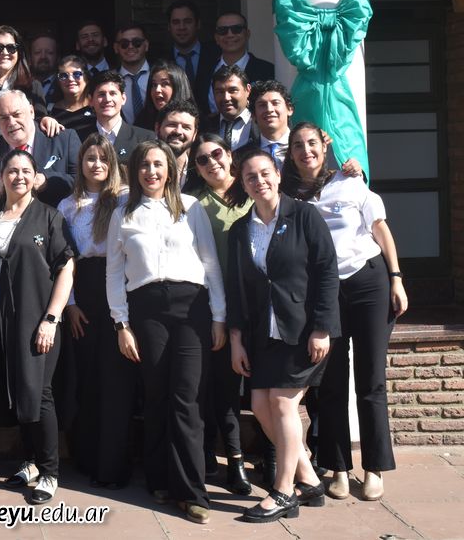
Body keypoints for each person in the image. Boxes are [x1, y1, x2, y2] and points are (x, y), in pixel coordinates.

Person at [281, 122, 408, 502]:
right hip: (325, 292)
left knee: (371, 380)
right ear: (291, 154)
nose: (306, 151)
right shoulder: (290, 196)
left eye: (312, 143)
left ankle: (374, 469)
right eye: (298, 145)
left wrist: (396, 278)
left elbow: (380, 230)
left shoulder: (350, 182)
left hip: (368, 281)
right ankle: (337, 467)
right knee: (332, 381)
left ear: (325, 146)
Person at [107, 139, 226, 525]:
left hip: (192, 308)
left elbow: (210, 262)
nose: (151, 172)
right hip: (147, 310)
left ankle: (192, 492)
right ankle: (159, 479)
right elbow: (114, 272)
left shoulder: (191, 207)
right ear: (135, 171)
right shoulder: (123, 214)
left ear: (170, 170)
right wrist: (121, 324)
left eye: (158, 164)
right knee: (156, 395)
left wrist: (219, 316)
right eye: (144, 165)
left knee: (186, 397)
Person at [225, 148, 340, 522]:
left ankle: (283, 491)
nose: (259, 181)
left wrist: (322, 327)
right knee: (260, 407)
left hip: (302, 330)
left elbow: (327, 271)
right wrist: (236, 340)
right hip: (262, 334)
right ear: (243, 185)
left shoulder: (304, 215)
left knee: (283, 404)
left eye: (264, 173)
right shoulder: (240, 230)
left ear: (277, 174)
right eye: (250, 177)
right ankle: (310, 480)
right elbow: (237, 289)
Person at [0, 149, 75, 505]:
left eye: (26, 170)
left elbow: (66, 269)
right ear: (2, 177)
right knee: (18, 392)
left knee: (39, 393)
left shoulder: (49, 217)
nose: (19, 176)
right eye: (12, 170)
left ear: (36, 178)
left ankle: (50, 471)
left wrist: (51, 319)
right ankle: (30, 461)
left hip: (38, 320)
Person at [57, 134, 137, 488]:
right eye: (90, 158)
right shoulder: (67, 205)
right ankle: (87, 457)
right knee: (87, 378)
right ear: (81, 163)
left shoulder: (123, 199)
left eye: (104, 158)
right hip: (83, 290)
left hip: (117, 287)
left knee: (116, 378)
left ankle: (114, 465)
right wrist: (71, 304)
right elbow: (65, 260)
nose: (97, 165)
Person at [186, 134, 254, 495]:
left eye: (217, 154)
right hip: (216, 304)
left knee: (264, 387)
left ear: (229, 155)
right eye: (202, 160)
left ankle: (273, 459)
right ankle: (234, 461)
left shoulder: (252, 189)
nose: (212, 162)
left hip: (257, 303)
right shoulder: (195, 204)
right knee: (222, 387)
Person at [0, 90, 81, 209]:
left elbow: (82, 181)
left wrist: (46, 182)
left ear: (31, 112)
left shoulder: (63, 139)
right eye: (4, 118)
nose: (11, 122)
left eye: (17, 114)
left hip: (57, 216)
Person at [76, 71, 156, 168]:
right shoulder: (78, 138)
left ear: (123, 98)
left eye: (113, 93)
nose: (107, 99)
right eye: (101, 94)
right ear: (91, 100)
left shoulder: (145, 138)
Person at [0, 25, 48, 122]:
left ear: (18, 53)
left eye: (11, 48)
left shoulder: (32, 86)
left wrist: (47, 119)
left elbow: (41, 119)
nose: (4, 52)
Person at [211, 12, 275, 113]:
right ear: (216, 37)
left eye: (236, 29)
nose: (230, 34)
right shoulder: (204, 70)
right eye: (223, 30)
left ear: (247, 34)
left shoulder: (267, 70)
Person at [166, 0, 221, 116]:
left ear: (198, 24)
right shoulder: (161, 59)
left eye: (187, 21)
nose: (181, 27)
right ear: (169, 27)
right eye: (176, 22)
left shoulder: (217, 55)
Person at [203, 65, 257, 151]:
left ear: (248, 90)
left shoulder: (261, 124)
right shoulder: (204, 126)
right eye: (220, 92)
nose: (226, 98)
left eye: (233, 90)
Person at [134, 60, 195, 131]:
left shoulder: (196, 121)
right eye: (154, 85)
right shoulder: (142, 122)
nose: (157, 89)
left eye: (165, 84)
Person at [155, 99, 200, 190]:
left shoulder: (201, 171)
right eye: (172, 125)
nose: (178, 131)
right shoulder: (141, 167)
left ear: (195, 134)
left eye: (186, 127)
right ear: (157, 128)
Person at [112, 23, 151, 125]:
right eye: (124, 44)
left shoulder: (161, 75)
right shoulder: (109, 80)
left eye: (136, 42)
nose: (130, 47)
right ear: (116, 48)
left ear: (146, 45)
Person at [48, 55, 95, 132]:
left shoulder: (97, 108)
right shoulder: (50, 111)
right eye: (63, 75)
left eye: (77, 74)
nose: (70, 79)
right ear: (58, 82)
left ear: (86, 78)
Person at [30, 33, 59, 100]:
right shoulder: (20, 86)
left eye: (49, 52)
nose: (43, 57)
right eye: (37, 52)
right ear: (30, 57)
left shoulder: (65, 85)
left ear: (58, 57)